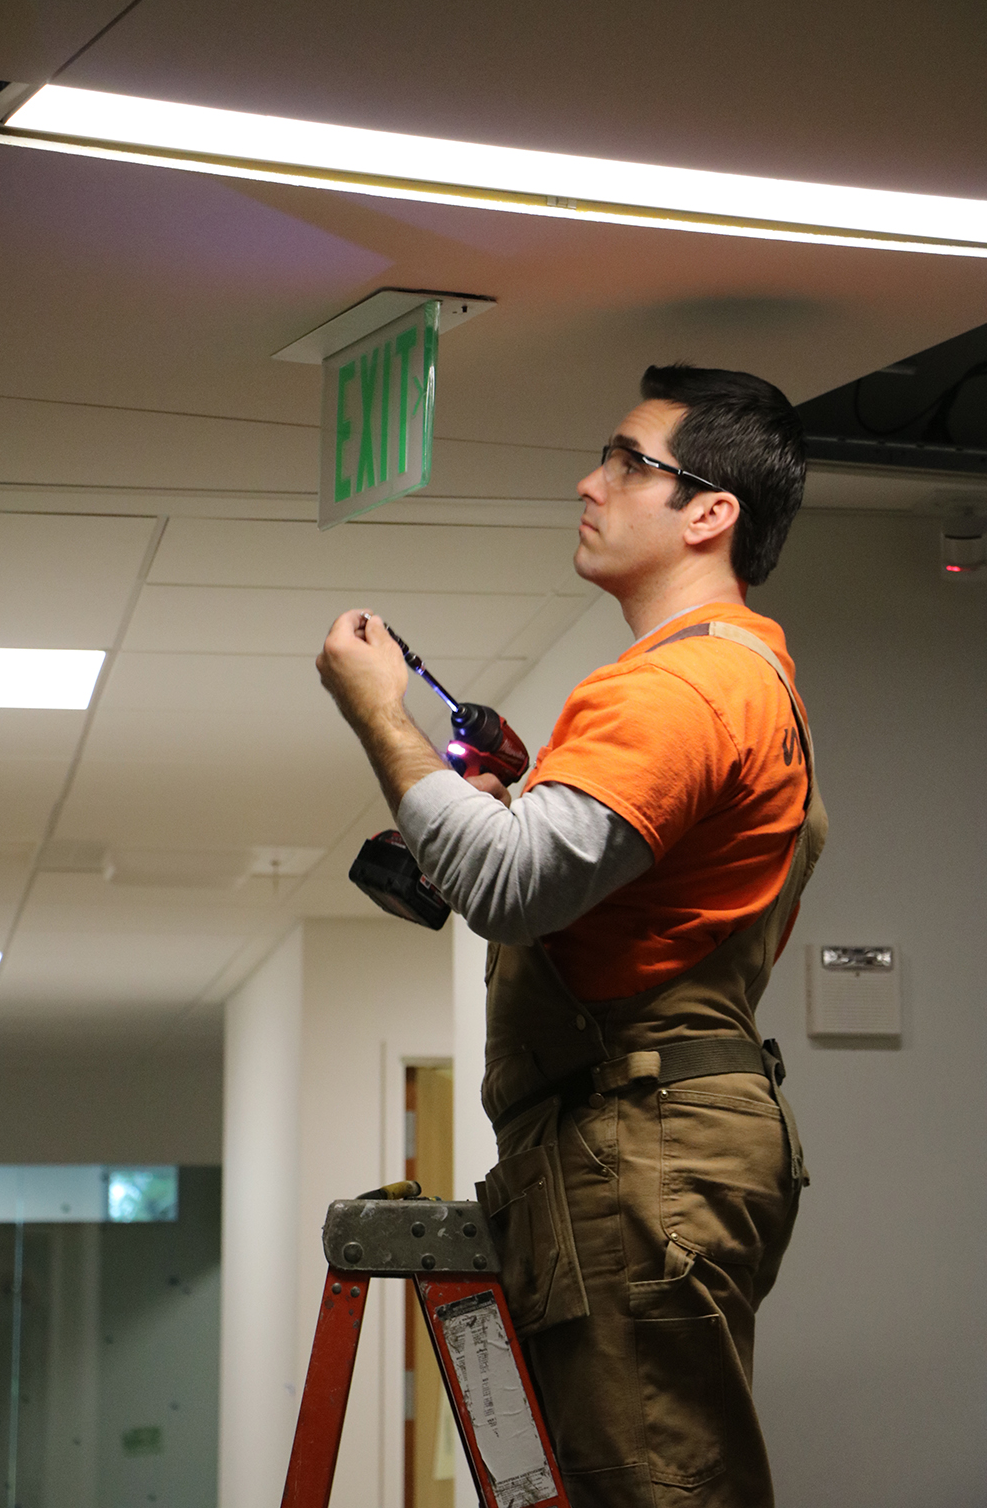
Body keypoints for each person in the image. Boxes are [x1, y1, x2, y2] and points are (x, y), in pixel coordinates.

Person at [317, 363, 827, 1508]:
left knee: (649, 1488)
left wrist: (378, 713)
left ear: (709, 513)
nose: (590, 484)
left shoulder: (683, 687)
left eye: (627, 463)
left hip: (636, 1147)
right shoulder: (743, 678)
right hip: (635, 1140)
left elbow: (508, 884)